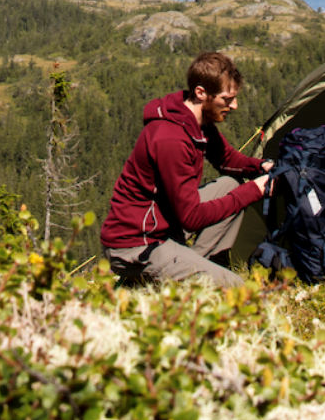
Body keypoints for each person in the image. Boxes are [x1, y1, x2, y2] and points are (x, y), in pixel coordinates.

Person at [100, 50, 271, 286]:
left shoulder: (196, 121)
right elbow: (191, 218)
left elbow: (227, 159)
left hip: (163, 227)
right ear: (201, 93)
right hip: (137, 243)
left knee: (230, 185)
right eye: (227, 99)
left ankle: (192, 268)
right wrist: (254, 190)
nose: (235, 106)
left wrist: (262, 166)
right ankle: (150, 282)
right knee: (237, 289)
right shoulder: (171, 138)